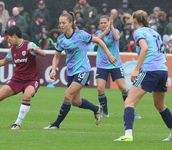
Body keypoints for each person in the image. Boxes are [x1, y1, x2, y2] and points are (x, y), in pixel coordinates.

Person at [44, 12, 117, 129]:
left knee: (67, 96)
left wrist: (109, 55)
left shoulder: (81, 35)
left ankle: (56, 124)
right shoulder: (61, 39)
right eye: (60, 23)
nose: (61, 25)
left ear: (71, 23)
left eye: (64, 23)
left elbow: (99, 41)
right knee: (75, 102)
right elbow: (56, 56)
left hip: (83, 69)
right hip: (71, 71)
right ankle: (96, 109)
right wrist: (53, 70)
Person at [0, 25, 46, 129]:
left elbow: (43, 53)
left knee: (27, 96)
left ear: (14, 35)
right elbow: (4, 61)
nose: (8, 40)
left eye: (8, 38)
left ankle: (17, 124)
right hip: (17, 79)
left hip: (31, 80)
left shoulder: (29, 44)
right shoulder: (13, 49)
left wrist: (35, 50)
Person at [114, 10, 172, 142]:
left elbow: (145, 48)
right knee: (160, 105)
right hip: (162, 71)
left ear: (134, 20)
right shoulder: (154, 32)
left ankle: (128, 135)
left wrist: (136, 69)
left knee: (129, 101)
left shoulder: (138, 32)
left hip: (149, 71)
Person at [95, 15, 140, 118]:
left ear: (109, 22)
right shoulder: (98, 33)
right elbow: (96, 40)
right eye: (101, 23)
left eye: (105, 22)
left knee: (124, 88)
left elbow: (117, 37)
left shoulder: (116, 31)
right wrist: (105, 32)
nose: (103, 24)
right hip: (102, 65)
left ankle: (131, 111)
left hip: (115, 64)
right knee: (100, 89)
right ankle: (105, 112)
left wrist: (111, 27)